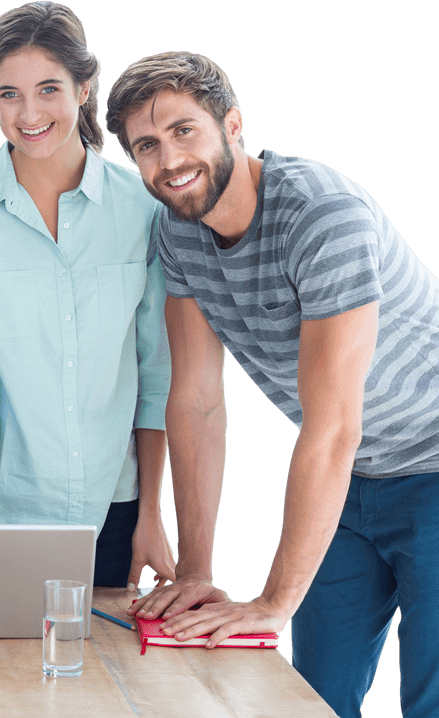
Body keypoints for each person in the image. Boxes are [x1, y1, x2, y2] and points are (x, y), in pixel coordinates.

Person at [106, 51, 439, 718]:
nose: (167, 160)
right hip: (356, 485)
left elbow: (334, 425)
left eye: (183, 131)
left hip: (430, 464)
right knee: (309, 695)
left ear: (232, 125)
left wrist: (274, 603)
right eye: (146, 145)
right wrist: (197, 571)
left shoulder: (321, 216)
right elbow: (197, 402)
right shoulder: (180, 231)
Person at [0, 1, 175, 589]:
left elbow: (156, 375)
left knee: (105, 679)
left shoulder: (143, 208)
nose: (29, 112)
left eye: (48, 89)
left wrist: (151, 515)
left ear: (84, 87)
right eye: (8, 93)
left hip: (116, 514)